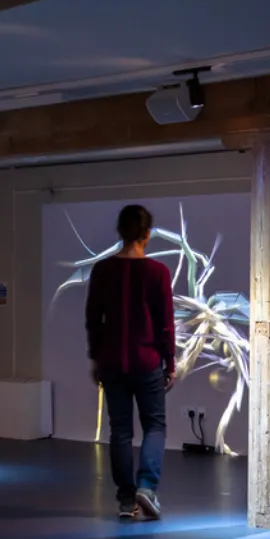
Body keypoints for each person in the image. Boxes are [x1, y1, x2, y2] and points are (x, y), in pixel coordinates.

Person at [85, 204, 175, 520]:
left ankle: (126, 500)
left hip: (111, 362)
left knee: (120, 430)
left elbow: (93, 319)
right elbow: (165, 323)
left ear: (120, 232)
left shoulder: (102, 270)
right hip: (146, 360)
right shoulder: (157, 272)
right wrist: (170, 362)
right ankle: (147, 488)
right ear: (146, 234)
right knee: (155, 425)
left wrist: (95, 357)